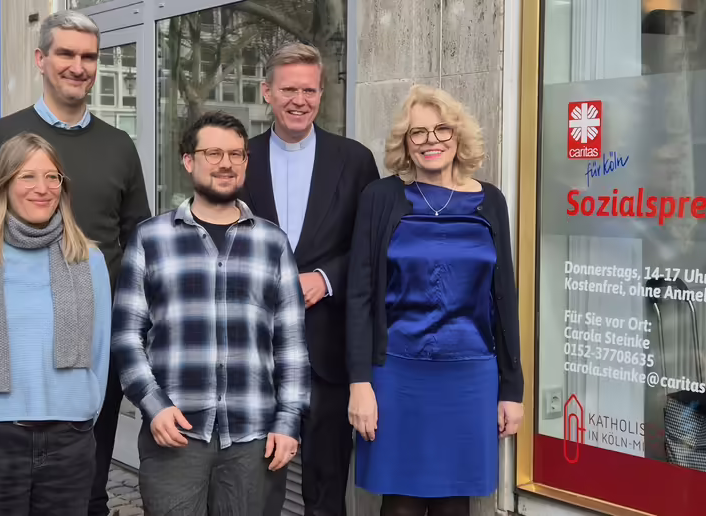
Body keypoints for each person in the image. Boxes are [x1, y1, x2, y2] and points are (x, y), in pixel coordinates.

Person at [0, 11, 151, 515]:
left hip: (88, 355)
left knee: (87, 493)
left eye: (89, 57)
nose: (78, 66)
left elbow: (138, 246)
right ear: (41, 59)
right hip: (8, 368)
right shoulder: (0, 138)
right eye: (66, 54)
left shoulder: (119, 146)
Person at [111, 111, 310, 516]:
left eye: (237, 154)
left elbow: (290, 343)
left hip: (254, 439)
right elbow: (127, 337)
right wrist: (152, 403)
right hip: (175, 432)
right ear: (189, 161)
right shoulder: (151, 238)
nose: (226, 164)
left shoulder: (273, 242)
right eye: (213, 153)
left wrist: (289, 419)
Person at [344, 84, 524, 516]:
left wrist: (512, 388)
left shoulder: (490, 200)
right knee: (400, 503)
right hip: (396, 374)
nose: (431, 141)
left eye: (442, 129)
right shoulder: (381, 197)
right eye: (418, 132)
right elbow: (359, 295)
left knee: (454, 503)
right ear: (405, 142)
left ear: (458, 135)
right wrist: (359, 383)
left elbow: (504, 298)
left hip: (470, 376)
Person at [0, 132, 113, 515]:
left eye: (52, 177)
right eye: (27, 176)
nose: (42, 188)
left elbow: (99, 350)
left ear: (63, 186)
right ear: (5, 184)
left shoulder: (89, 262)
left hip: (69, 442)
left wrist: (82, 409)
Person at [239, 42, 380, 516]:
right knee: (252, 490)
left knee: (325, 492)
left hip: (329, 352)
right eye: (288, 90)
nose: (299, 100)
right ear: (267, 92)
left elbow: (372, 247)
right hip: (254, 353)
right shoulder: (239, 157)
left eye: (309, 90)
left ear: (321, 94)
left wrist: (325, 277)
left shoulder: (354, 160)